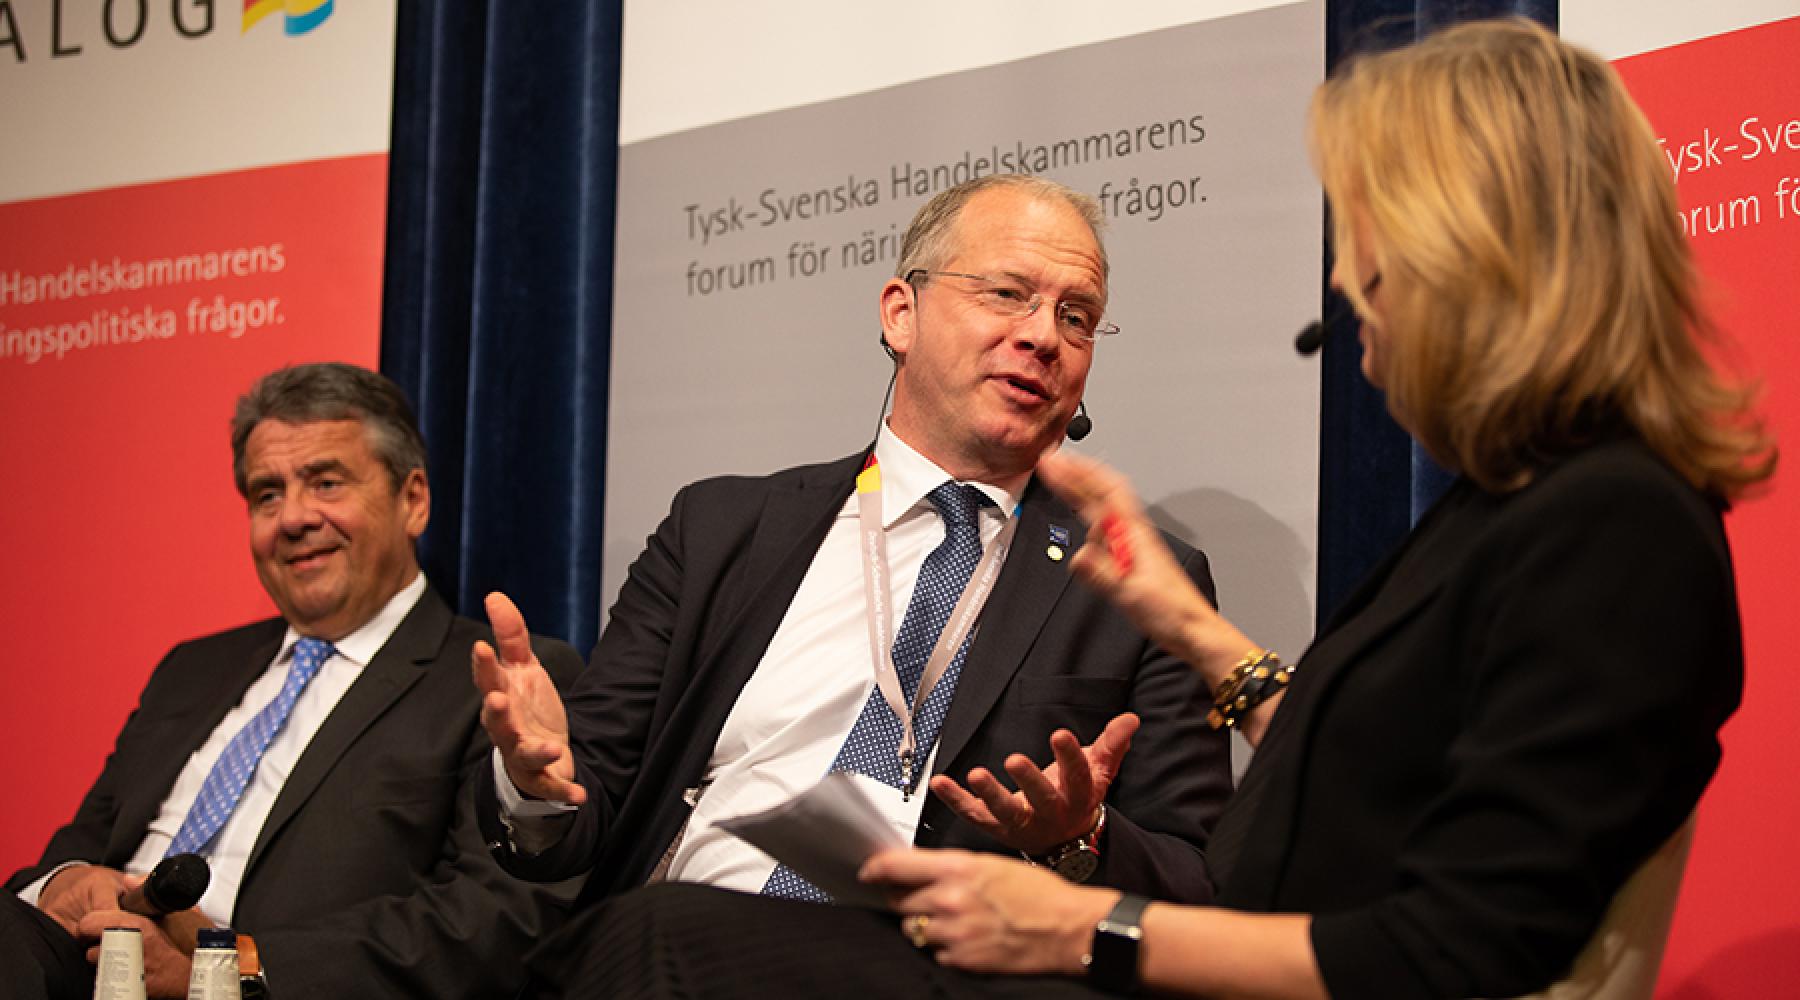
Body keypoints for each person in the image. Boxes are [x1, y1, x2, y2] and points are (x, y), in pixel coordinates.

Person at [851, 17, 1779, 1000]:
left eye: (1367, 230)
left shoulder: (1617, 532)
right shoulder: (1515, 506)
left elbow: (1453, 949)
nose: (1342, 279)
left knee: (676, 938)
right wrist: (1193, 631)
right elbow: (1384, 778)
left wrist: (1081, 924)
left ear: (1465, 247)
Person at [470, 175, 1234, 990]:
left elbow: (1197, 884)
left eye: (1076, 317)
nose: (1043, 336)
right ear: (901, 314)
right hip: (670, 940)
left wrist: (1077, 838)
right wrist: (533, 778)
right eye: (1007, 294)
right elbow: (586, 806)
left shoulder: (1135, 581)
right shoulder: (724, 529)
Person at [2, 363, 586, 999]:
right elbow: (74, 849)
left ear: (412, 500)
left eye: (326, 483)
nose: (293, 518)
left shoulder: (492, 684)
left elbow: (491, 921)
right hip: (75, 968)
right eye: (266, 494)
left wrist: (226, 965)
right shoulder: (191, 670)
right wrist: (60, 885)